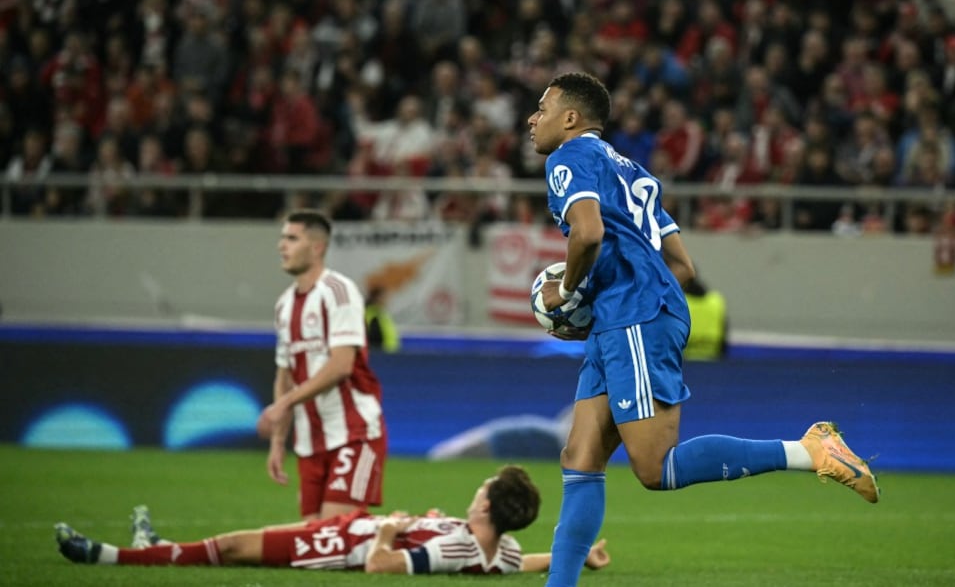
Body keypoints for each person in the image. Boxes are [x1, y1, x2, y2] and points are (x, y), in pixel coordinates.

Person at [526, 72, 879, 587]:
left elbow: (588, 234)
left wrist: (570, 294)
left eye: (542, 108)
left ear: (571, 118)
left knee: (655, 468)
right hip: (627, 317)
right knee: (580, 458)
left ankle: (811, 450)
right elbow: (683, 267)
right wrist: (613, 309)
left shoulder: (569, 158)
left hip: (632, 317)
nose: (533, 118)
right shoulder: (632, 171)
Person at [55, 465, 611, 576]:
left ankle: (109, 556)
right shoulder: (497, 551)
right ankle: (152, 547)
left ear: (486, 506)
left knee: (234, 547)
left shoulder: (457, 552)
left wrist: (390, 531)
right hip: (348, 528)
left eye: (481, 490)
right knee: (234, 543)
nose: (475, 495)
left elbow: (381, 566)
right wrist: (580, 556)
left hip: (343, 545)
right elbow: (527, 561)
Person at [256, 210, 388, 520]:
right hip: (310, 442)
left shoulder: (338, 292)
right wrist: (278, 440)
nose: (281, 246)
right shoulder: (284, 305)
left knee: (331, 536)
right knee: (313, 540)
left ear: (317, 247)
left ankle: (412, 534)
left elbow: (342, 365)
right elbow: (285, 375)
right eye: (282, 238)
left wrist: (284, 403)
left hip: (354, 433)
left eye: (292, 238)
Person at [682, 274, 727, 360]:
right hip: (713, 360)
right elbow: (724, 340)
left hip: (684, 361)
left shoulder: (679, 302)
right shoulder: (716, 302)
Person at [364, 285, 401, 353]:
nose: (387, 300)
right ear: (377, 298)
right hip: (380, 354)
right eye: (384, 297)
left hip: (389, 353)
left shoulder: (381, 313)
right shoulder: (372, 314)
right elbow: (374, 337)